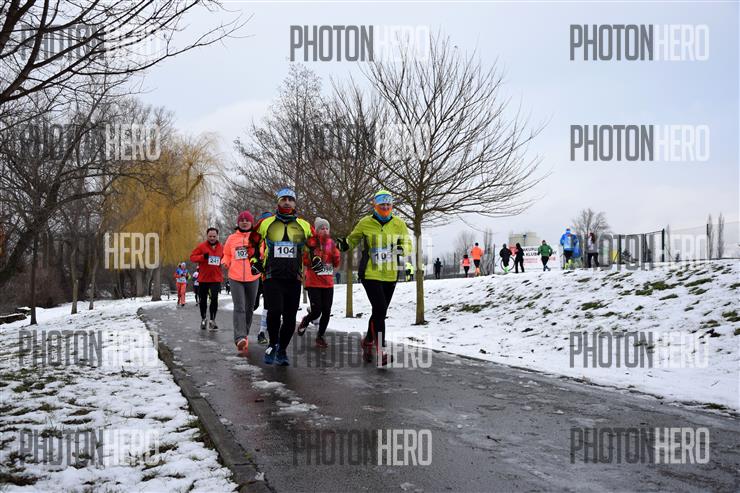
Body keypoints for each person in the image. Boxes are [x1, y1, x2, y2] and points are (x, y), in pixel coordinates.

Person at [336, 190, 412, 366]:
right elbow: (352, 239)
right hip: (370, 273)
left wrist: (401, 249)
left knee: (380, 311)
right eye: (381, 204)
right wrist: (340, 244)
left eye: (388, 204)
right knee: (380, 308)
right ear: (375, 206)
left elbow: (407, 243)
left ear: (392, 206)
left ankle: (368, 341)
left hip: (391, 273)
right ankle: (381, 351)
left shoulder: (399, 223)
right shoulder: (365, 222)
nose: (385, 207)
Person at [253, 188, 315, 366]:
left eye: (290, 199)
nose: (287, 202)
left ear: (295, 203)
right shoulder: (266, 223)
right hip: (271, 276)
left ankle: (282, 350)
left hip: (294, 278)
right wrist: (255, 260)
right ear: (278, 202)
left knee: (289, 317)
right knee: (274, 311)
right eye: (283, 199)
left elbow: (315, 246)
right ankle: (272, 344)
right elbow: (251, 243)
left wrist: (315, 258)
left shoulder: (304, 225)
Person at [297, 217, 341, 348]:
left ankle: (320, 336)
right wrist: (314, 260)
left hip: (328, 283)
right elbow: (305, 260)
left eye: (327, 228)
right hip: (314, 283)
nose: (325, 230)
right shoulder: (311, 242)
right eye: (322, 228)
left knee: (327, 311)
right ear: (316, 230)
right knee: (317, 311)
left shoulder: (331, 243)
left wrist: (336, 253)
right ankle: (306, 320)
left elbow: (336, 263)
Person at [222, 211, 261, 353]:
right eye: (242, 220)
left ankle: (244, 335)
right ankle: (239, 337)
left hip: (253, 276)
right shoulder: (232, 238)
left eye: (247, 220)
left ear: (251, 223)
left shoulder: (257, 238)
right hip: (235, 277)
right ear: (238, 223)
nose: (244, 222)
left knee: (249, 308)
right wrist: (226, 262)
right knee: (239, 307)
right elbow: (226, 254)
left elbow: (262, 253)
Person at [190, 227, 224, 330]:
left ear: (217, 236)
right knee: (203, 300)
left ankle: (212, 320)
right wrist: (202, 257)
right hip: (204, 279)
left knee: (214, 299)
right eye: (210, 236)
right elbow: (192, 257)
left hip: (216, 278)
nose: (212, 238)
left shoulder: (221, 247)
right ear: (207, 236)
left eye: (214, 236)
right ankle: (203, 319)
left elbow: (226, 258)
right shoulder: (201, 246)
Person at [253, 211, 273, 345]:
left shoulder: (275, 239)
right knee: (254, 305)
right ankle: (244, 326)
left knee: (269, 305)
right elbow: (251, 254)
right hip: (255, 278)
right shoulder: (257, 239)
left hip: (269, 277)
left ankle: (262, 332)